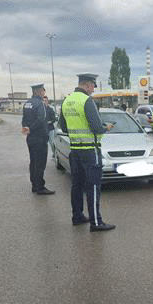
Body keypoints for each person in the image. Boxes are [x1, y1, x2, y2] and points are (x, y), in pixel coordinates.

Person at [59, 73, 115, 232]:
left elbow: (64, 127)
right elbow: (97, 128)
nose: (93, 90)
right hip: (90, 151)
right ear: (88, 84)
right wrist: (107, 127)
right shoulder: (87, 101)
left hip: (75, 151)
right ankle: (96, 222)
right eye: (92, 86)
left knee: (76, 185)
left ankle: (77, 216)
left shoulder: (67, 100)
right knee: (94, 186)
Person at [21, 84, 55, 195]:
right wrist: (31, 128)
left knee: (33, 162)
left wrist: (27, 128)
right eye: (43, 91)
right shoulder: (40, 103)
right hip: (39, 137)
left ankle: (34, 185)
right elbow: (41, 119)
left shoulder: (27, 103)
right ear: (39, 91)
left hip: (30, 138)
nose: (44, 93)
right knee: (40, 163)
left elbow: (24, 119)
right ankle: (40, 186)